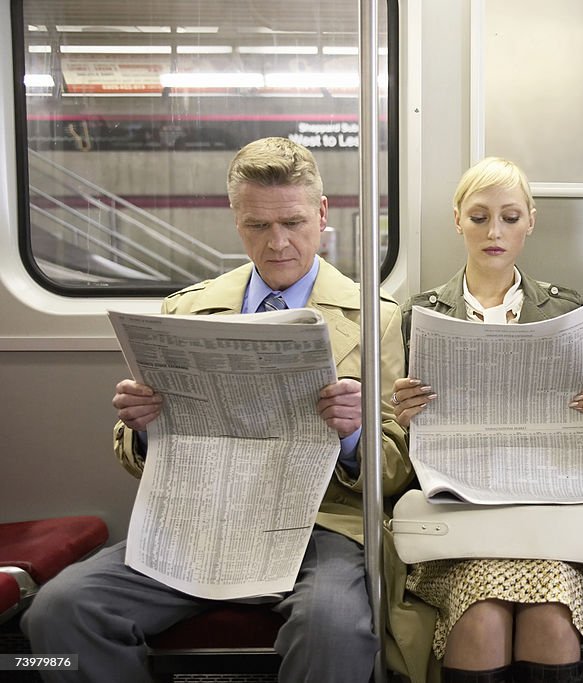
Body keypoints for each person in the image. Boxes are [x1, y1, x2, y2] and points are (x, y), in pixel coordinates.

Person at [21, 137, 419, 683]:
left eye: (294, 223)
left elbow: (398, 469)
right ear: (237, 221)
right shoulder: (187, 308)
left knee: (333, 627)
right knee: (61, 610)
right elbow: (139, 457)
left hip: (318, 526)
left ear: (322, 215)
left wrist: (352, 435)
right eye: (258, 226)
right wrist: (141, 427)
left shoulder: (377, 318)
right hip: (202, 518)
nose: (278, 243)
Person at [389, 157, 583, 683]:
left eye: (510, 217)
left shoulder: (565, 311)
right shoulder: (421, 316)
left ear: (530, 222)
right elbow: (405, 451)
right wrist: (407, 420)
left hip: (547, 520)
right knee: (480, 614)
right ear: (457, 220)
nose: (495, 232)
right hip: (461, 523)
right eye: (479, 218)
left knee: (550, 612)